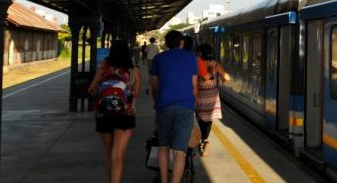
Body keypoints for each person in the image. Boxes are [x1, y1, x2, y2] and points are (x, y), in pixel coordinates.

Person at [88, 40, 141, 183]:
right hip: (125, 114)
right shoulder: (133, 70)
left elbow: (92, 90)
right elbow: (136, 93)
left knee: (109, 153)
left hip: (103, 114)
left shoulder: (103, 68)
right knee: (117, 155)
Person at [151, 30, 198, 183]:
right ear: (181, 42)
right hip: (185, 107)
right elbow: (194, 87)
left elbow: (154, 86)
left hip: (164, 106)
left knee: (163, 147)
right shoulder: (191, 58)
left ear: (166, 43)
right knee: (180, 152)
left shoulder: (159, 58)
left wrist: (157, 102)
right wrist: (193, 105)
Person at [195, 43, 231, 156]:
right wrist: (222, 80)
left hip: (200, 96)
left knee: (200, 119)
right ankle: (204, 140)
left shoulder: (197, 63)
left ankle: (200, 140)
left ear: (200, 53)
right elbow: (226, 77)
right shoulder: (215, 64)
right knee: (209, 120)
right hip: (212, 97)